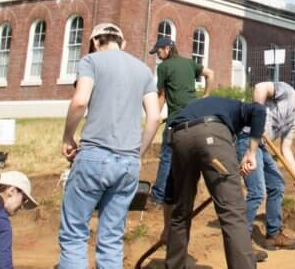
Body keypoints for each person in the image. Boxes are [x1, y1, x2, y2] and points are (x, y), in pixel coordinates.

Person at [57, 22, 161, 269]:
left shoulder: (91, 61)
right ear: (122, 43)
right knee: (112, 238)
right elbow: (155, 117)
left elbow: (80, 101)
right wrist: (138, 153)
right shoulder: (143, 70)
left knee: (74, 233)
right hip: (127, 164)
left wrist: (67, 137)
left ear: (95, 42)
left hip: (94, 156)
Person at [165, 94, 267, 269]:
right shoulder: (240, 107)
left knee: (180, 212)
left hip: (179, 136)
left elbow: (172, 183)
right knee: (232, 213)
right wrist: (251, 153)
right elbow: (259, 110)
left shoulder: (199, 106)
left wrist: (169, 218)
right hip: (212, 135)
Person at [238, 80, 295, 251]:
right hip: (248, 141)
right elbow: (259, 87)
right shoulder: (286, 91)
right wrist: (257, 115)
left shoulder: (293, 119)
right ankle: (241, 243)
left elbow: (286, 149)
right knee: (257, 192)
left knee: (277, 185)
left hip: (262, 146)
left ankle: (273, 235)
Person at [148, 35, 214, 241]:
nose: (158, 55)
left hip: (176, 121)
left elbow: (161, 95)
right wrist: (206, 97)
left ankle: (158, 196)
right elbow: (210, 74)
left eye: (159, 51)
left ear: (167, 49)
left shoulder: (164, 67)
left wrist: (155, 117)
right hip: (198, 118)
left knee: (167, 157)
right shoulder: (188, 63)